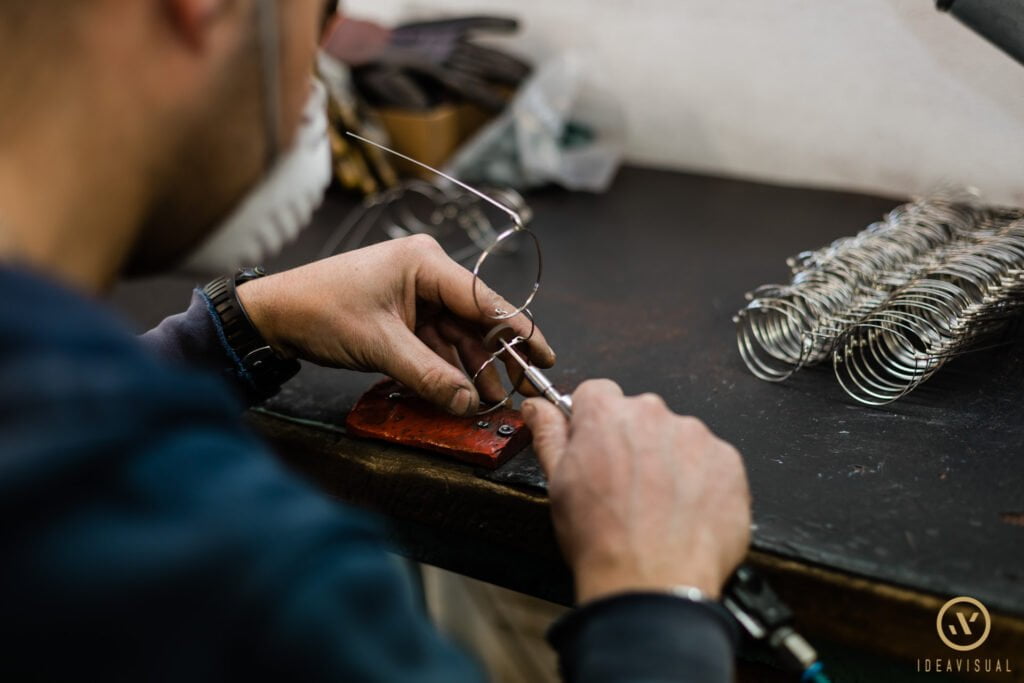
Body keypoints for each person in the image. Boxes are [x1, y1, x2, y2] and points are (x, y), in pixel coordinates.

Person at [0, 1, 752, 680]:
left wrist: (236, 326)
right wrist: (658, 606)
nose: (316, 88)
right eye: (320, 19)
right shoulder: (246, 577)